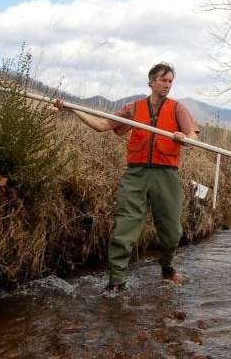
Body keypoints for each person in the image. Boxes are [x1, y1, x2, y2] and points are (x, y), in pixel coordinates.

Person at [56, 63, 199, 292]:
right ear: (152, 82)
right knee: (124, 229)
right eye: (163, 80)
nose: (167, 85)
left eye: (170, 81)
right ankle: (116, 282)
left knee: (172, 233)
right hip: (136, 175)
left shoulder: (178, 109)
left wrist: (184, 137)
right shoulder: (133, 108)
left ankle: (167, 267)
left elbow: (193, 136)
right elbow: (101, 125)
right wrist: (72, 109)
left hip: (166, 176)